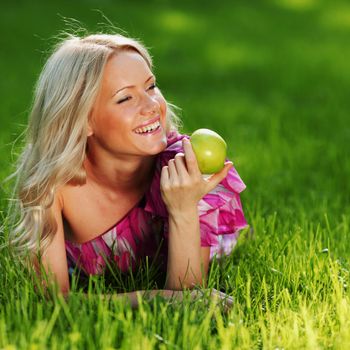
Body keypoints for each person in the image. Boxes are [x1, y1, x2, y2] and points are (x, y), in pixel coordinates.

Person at [7, 32, 248, 309]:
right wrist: (151, 298)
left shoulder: (184, 170)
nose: (151, 106)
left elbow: (189, 296)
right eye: (125, 99)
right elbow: (52, 301)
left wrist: (184, 209)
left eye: (151, 86)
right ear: (82, 121)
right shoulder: (50, 186)